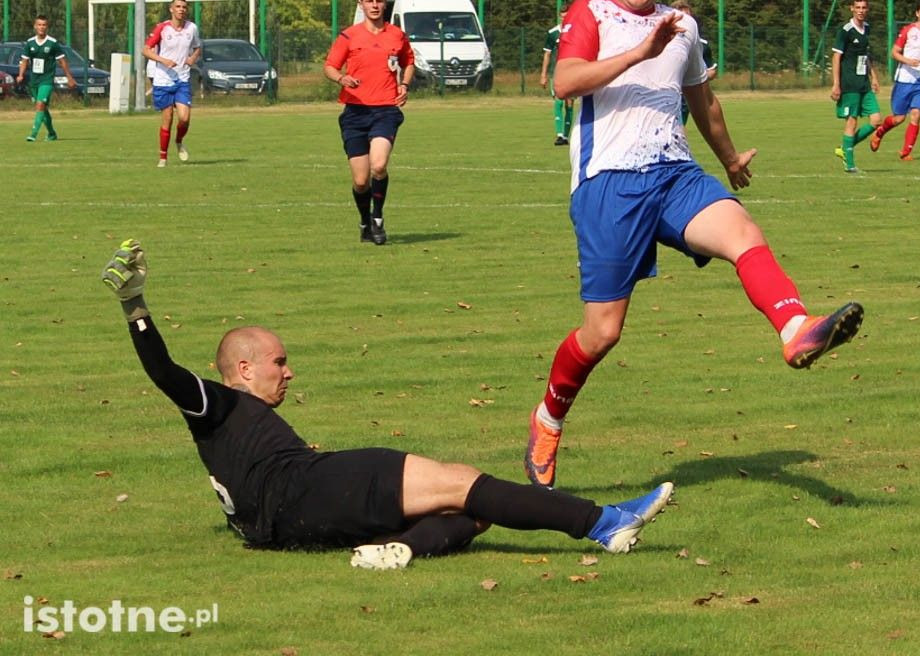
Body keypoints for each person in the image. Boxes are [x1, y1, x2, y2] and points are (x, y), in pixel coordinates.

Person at [523, 0, 865, 490]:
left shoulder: (682, 27)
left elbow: (703, 102)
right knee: (602, 333)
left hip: (675, 173)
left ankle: (794, 327)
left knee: (743, 232)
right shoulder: (590, 14)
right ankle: (548, 418)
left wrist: (729, 160)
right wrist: (638, 52)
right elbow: (565, 82)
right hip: (608, 184)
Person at [100, 239, 674, 569]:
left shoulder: (235, 434)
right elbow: (165, 372)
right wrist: (136, 306)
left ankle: (396, 551)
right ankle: (602, 523)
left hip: (288, 523)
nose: (289, 371)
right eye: (279, 362)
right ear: (243, 369)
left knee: (472, 514)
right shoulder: (220, 403)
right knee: (463, 483)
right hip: (312, 486)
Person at [324, 0, 416, 246]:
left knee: (379, 165)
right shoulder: (349, 36)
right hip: (355, 113)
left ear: (384, 4)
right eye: (370, 1)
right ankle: (364, 221)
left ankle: (377, 219)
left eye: (379, 1)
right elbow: (329, 66)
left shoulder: (397, 35)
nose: (375, 6)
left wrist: (405, 84)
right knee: (361, 180)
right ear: (361, 5)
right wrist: (341, 78)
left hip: (386, 110)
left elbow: (409, 62)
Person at [871, 0, 920, 161]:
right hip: (905, 81)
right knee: (899, 118)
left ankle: (906, 152)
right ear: (917, 13)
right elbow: (894, 53)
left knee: (916, 114)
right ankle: (880, 132)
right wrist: (908, 61)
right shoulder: (908, 31)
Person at [143, 0, 202, 167]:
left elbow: (198, 47)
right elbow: (145, 50)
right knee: (167, 118)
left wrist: (192, 58)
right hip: (163, 80)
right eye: (178, 6)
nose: (181, 9)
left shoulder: (192, 28)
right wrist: (163, 60)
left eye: (184, 7)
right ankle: (163, 158)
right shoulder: (162, 28)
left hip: (182, 79)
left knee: (184, 118)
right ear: (171, 9)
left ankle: (179, 141)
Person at [830, 0, 882, 174]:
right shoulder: (845, 30)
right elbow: (836, 57)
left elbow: (866, 56)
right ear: (851, 8)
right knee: (851, 122)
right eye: (857, 7)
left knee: (876, 120)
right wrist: (836, 84)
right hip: (849, 84)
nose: (861, 11)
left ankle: (845, 147)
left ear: (867, 9)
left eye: (864, 8)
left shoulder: (866, 28)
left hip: (864, 84)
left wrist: (874, 77)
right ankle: (850, 164)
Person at [16, 15, 76, 142]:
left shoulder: (53, 43)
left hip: (47, 80)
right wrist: (21, 74)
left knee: (40, 105)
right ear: (35, 26)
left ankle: (33, 133)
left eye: (44, 25)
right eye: (39, 24)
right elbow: (24, 61)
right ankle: (52, 134)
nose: (41, 27)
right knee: (42, 109)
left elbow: (62, 61)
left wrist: (69, 77)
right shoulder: (30, 43)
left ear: (47, 27)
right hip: (34, 81)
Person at [670, 0, 717, 126]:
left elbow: (712, 71)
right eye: (681, 18)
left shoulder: (701, 44)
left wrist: (696, 77)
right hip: (667, 95)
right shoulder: (660, 41)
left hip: (688, 97)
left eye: (688, 18)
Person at [540, 8, 574, 146]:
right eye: (562, 17)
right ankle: (559, 135)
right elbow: (547, 54)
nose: (565, 19)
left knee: (569, 103)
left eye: (567, 16)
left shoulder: (575, 31)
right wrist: (543, 74)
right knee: (559, 101)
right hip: (558, 72)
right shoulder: (553, 33)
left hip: (572, 72)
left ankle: (566, 136)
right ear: (560, 17)